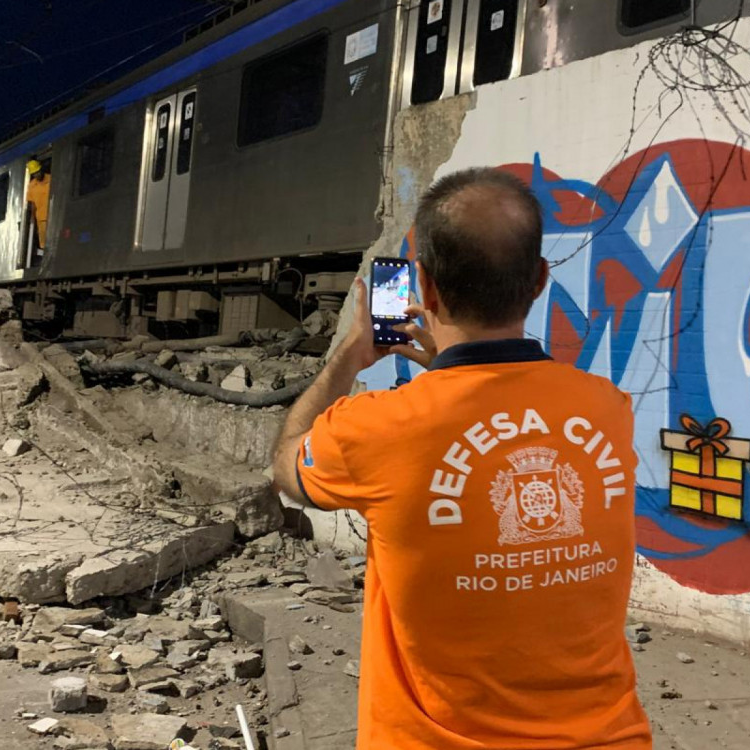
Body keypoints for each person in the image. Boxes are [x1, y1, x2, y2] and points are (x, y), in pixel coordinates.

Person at [272, 167, 652, 749]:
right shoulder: (609, 409)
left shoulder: (377, 428)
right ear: (540, 280)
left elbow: (288, 468)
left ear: (423, 290)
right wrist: (455, 379)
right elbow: (506, 420)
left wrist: (349, 356)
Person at [26, 158, 50, 252]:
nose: (37, 174)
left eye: (38, 171)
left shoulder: (51, 179)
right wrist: (32, 218)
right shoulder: (31, 186)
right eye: (35, 173)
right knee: (44, 244)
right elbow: (32, 203)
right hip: (41, 218)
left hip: (53, 215)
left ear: (41, 169)